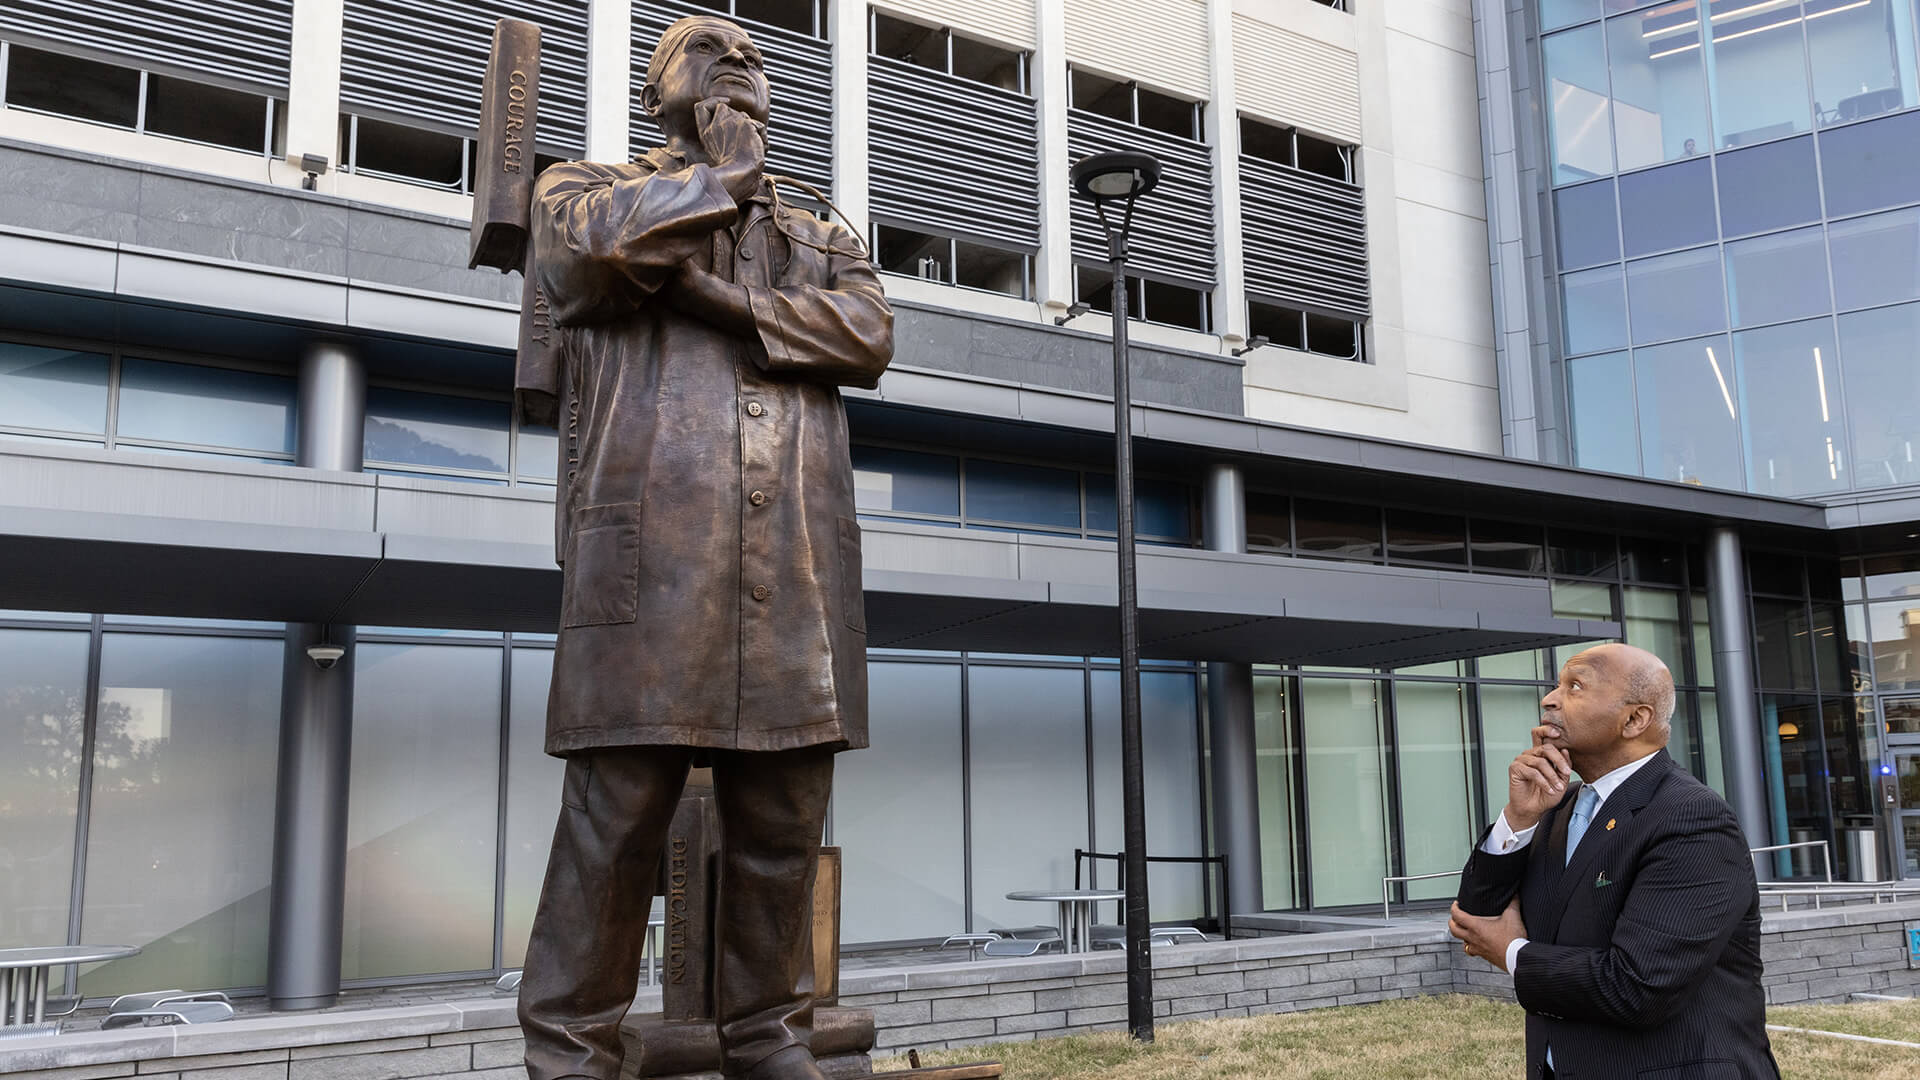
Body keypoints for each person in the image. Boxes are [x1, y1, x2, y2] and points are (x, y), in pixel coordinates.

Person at [513, 15, 893, 1080]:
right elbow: (588, 265)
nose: (739, 59)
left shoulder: (820, 227)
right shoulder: (583, 186)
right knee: (615, 823)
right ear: (655, 91)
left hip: (795, 567)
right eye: (707, 47)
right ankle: (570, 1049)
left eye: (755, 54)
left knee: (781, 825)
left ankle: (769, 1036)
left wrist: (720, 299)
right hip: (651, 563)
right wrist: (718, 181)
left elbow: (868, 333)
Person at [1448, 643, 1779, 1080]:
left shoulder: (1691, 818)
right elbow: (1477, 917)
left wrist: (1513, 953)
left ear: (1635, 719)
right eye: (1557, 686)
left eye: (1576, 686)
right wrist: (1519, 818)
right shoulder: (1556, 806)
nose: (1549, 699)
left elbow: (1638, 987)